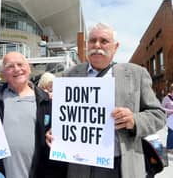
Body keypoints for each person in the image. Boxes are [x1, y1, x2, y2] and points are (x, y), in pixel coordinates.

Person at [46, 22, 166, 178]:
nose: (97, 45)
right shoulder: (70, 74)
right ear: (86, 45)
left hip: (121, 165)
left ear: (115, 47)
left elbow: (158, 115)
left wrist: (134, 120)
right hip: (81, 166)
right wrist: (56, 130)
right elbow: (65, 115)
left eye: (104, 41)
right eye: (92, 40)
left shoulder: (136, 74)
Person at [0, 51, 67, 178]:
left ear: (29, 68)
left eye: (20, 64)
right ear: (3, 74)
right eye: (10, 66)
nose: (16, 69)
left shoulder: (47, 102)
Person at [161, 83, 173, 154]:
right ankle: (169, 147)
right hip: (170, 118)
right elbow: (161, 107)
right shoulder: (167, 98)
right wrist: (171, 111)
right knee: (171, 133)